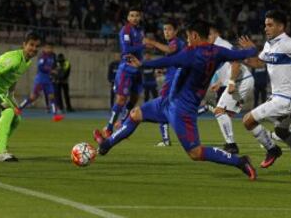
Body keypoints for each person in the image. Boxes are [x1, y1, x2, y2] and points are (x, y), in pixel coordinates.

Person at [94, 20, 258, 180]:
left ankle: (240, 161)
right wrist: (252, 48)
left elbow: (168, 61)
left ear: (194, 35)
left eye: (187, 37)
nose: (187, 40)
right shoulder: (218, 51)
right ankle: (105, 145)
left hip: (181, 109)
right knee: (135, 114)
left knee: (195, 153)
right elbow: (242, 54)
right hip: (168, 101)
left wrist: (142, 64)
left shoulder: (192, 53)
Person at [242, 10, 291, 168]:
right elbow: (259, 63)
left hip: (286, 100)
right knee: (281, 131)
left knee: (248, 121)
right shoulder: (269, 44)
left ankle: (272, 149)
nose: (266, 28)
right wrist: (247, 54)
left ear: (281, 26)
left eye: (270, 25)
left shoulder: (289, 44)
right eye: (265, 25)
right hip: (279, 97)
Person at [0, 32, 41, 162]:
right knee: (8, 112)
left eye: (36, 46)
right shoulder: (14, 58)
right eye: (31, 45)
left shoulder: (27, 61)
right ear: (24, 45)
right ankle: (0, 153)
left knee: (17, 119)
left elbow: (13, 77)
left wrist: (11, 95)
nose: (34, 48)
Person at [101, 7, 147, 138]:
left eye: (137, 15)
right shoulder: (125, 30)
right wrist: (144, 45)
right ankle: (109, 127)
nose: (134, 18)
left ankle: (122, 122)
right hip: (126, 69)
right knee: (121, 99)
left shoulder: (140, 31)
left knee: (135, 98)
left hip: (137, 69)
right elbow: (126, 49)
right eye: (132, 15)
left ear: (140, 17)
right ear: (128, 18)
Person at [209, 25, 255, 154]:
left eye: (209, 35)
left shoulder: (222, 45)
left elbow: (236, 62)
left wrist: (231, 82)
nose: (207, 38)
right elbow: (227, 66)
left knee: (219, 111)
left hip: (241, 81)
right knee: (226, 114)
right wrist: (220, 82)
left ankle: (231, 145)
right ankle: (269, 143)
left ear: (215, 34)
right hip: (243, 80)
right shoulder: (218, 46)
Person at [143, 19, 186, 146]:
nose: (166, 32)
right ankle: (205, 108)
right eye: (164, 29)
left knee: (162, 107)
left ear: (176, 31)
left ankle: (166, 140)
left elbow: (169, 50)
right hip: (175, 77)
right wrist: (164, 70)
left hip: (173, 80)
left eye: (169, 29)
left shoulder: (176, 42)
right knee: (176, 109)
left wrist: (152, 42)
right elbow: (175, 62)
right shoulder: (176, 44)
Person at [19, 42, 64, 121]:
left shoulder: (53, 56)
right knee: (33, 97)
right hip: (40, 80)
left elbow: (53, 66)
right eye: (48, 48)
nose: (49, 50)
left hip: (48, 80)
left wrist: (56, 70)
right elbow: (40, 67)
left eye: (51, 48)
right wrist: (52, 71)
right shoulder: (42, 57)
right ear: (44, 49)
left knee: (52, 96)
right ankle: (19, 108)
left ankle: (55, 115)